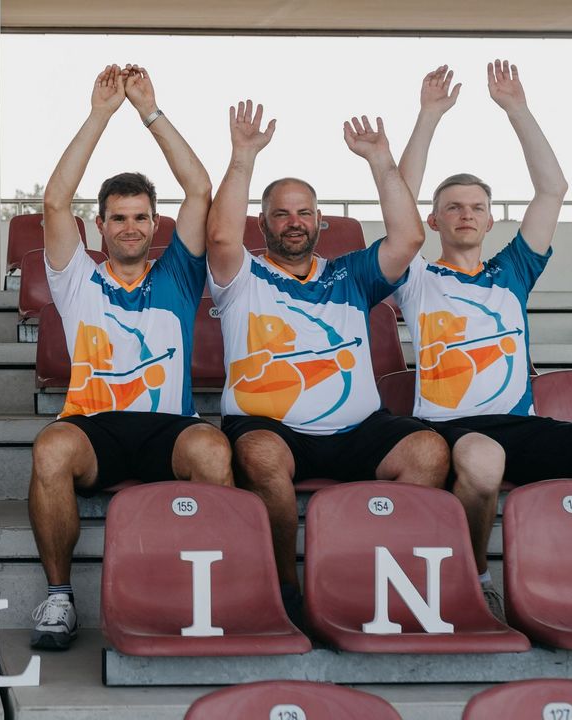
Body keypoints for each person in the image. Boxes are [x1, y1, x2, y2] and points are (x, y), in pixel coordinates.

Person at [205, 99, 450, 621]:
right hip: (270, 428)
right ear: (263, 222)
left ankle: (368, 576)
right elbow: (221, 234)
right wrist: (243, 155)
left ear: (320, 221)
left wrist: (382, 161)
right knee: (263, 459)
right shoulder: (240, 274)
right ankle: (287, 593)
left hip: (356, 429)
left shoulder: (350, 274)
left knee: (428, 452)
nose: (294, 223)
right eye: (281, 214)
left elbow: (409, 237)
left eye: (304, 213)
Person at [28, 64, 232, 651]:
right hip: (94, 432)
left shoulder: (177, 276)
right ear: (101, 225)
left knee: (214, 448)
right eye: (118, 217)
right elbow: (55, 198)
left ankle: (201, 592)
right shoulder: (76, 280)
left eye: (141, 216)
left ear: (154, 222)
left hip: (168, 429)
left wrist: (150, 112)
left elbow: (199, 190)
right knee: (50, 447)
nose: (130, 227)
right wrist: (100, 114)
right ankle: (60, 597)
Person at [393, 61, 572, 620]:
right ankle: (475, 576)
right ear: (433, 222)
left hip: (522, 423)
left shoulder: (512, 271)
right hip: (450, 426)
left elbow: (553, 188)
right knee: (483, 467)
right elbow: (401, 197)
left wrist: (516, 108)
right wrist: (428, 117)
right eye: (453, 207)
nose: (466, 214)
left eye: (477, 207)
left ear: (490, 221)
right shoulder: (415, 276)